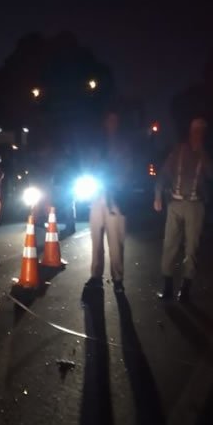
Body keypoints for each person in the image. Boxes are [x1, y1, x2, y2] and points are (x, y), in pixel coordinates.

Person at [154, 116, 213, 302]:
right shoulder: (178, 151)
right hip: (175, 203)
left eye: (202, 131)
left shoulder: (206, 153)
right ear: (190, 132)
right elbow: (163, 174)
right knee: (169, 245)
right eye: (195, 130)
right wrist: (157, 195)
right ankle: (167, 288)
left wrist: (204, 156)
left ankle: (185, 290)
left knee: (192, 247)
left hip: (195, 206)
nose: (198, 134)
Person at [85, 111, 133, 294]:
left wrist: (117, 183)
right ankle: (96, 276)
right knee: (96, 239)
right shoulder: (97, 145)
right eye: (108, 120)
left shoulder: (124, 145)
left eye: (115, 120)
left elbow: (128, 170)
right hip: (97, 196)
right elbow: (88, 167)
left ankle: (118, 278)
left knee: (116, 241)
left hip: (116, 198)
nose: (111, 123)